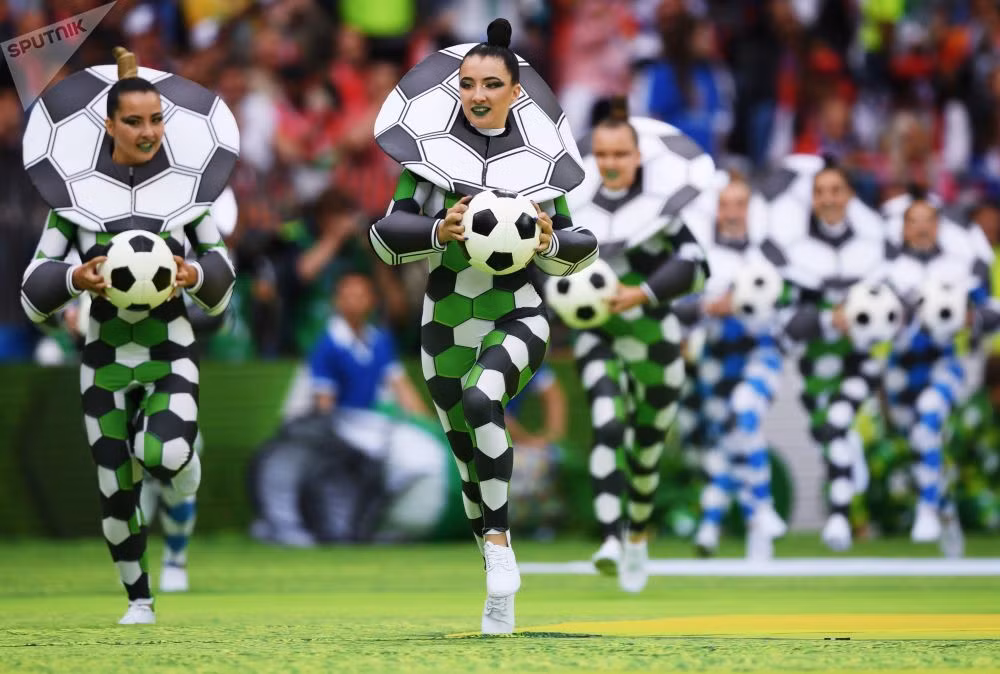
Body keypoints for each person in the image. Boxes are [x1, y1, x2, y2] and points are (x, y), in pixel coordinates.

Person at [368, 18, 596, 634]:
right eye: (467, 84)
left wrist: (551, 240)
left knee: (483, 396)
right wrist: (438, 229)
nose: (476, 94)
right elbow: (386, 237)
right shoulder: (429, 157)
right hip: (443, 321)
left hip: (519, 310)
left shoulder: (544, 163)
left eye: (491, 84)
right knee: (469, 463)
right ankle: (498, 579)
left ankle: (499, 545)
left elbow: (580, 247)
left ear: (515, 91)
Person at [19, 48, 237, 624]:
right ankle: (139, 599)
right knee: (115, 487)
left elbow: (222, 274)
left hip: (171, 352)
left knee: (161, 454)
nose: (148, 132)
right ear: (108, 125)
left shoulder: (188, 198)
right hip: (104, 356)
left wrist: (193, 275)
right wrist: (74, 277)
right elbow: (32, 291)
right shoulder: (72, 203)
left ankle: (182, 468)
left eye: (157, 119)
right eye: (135, 121)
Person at [564, 97, 710, 591]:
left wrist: (642, 293)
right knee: (607, 424)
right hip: (597, 332)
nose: (610, 164)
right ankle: (608, 537)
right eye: (602, 155)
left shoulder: (665, 212)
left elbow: (696, 266)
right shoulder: (574, 207)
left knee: (646, 451)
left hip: (655, 337)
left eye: (619, 155)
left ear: (638, 156)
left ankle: (637, 536)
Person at [765, 157, 885, 552]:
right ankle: (849, 464)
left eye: (836, 191)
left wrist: (864, 317)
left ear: (850, 195)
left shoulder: (875, 246)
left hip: (859, 358)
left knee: (835, 424)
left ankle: (838, 520)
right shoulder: (793, 253)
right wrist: (830, 319)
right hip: (814, 362)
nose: (828, 199)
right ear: (810, 199)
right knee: (826, 434)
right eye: (820, 192)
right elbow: (785, 323)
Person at [673, 177, 788, 560]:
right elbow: (679, 308)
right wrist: (710, 306)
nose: (734, 211)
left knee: (745, 412)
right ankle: (728, 525)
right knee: (723, 443)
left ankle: (762, 507)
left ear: (750, 209)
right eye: (727, 204)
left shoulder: (769, 254)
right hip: (716, 360)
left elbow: (791, 309)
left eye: (741, 203)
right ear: (718, 210)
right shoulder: (702, 256)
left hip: (760, 353)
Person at [878, 195, 999, 553]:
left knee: (930, 418)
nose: (921, 226)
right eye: (913, 220)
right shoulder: (887, 269)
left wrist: (971, 318)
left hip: (944, 363)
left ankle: (928, 507)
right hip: (900, 370)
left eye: (928, 219)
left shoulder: (958, 266)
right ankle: (944, 508)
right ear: (903, 227)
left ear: (939, 225)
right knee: (919, 442)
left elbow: (992, 308)